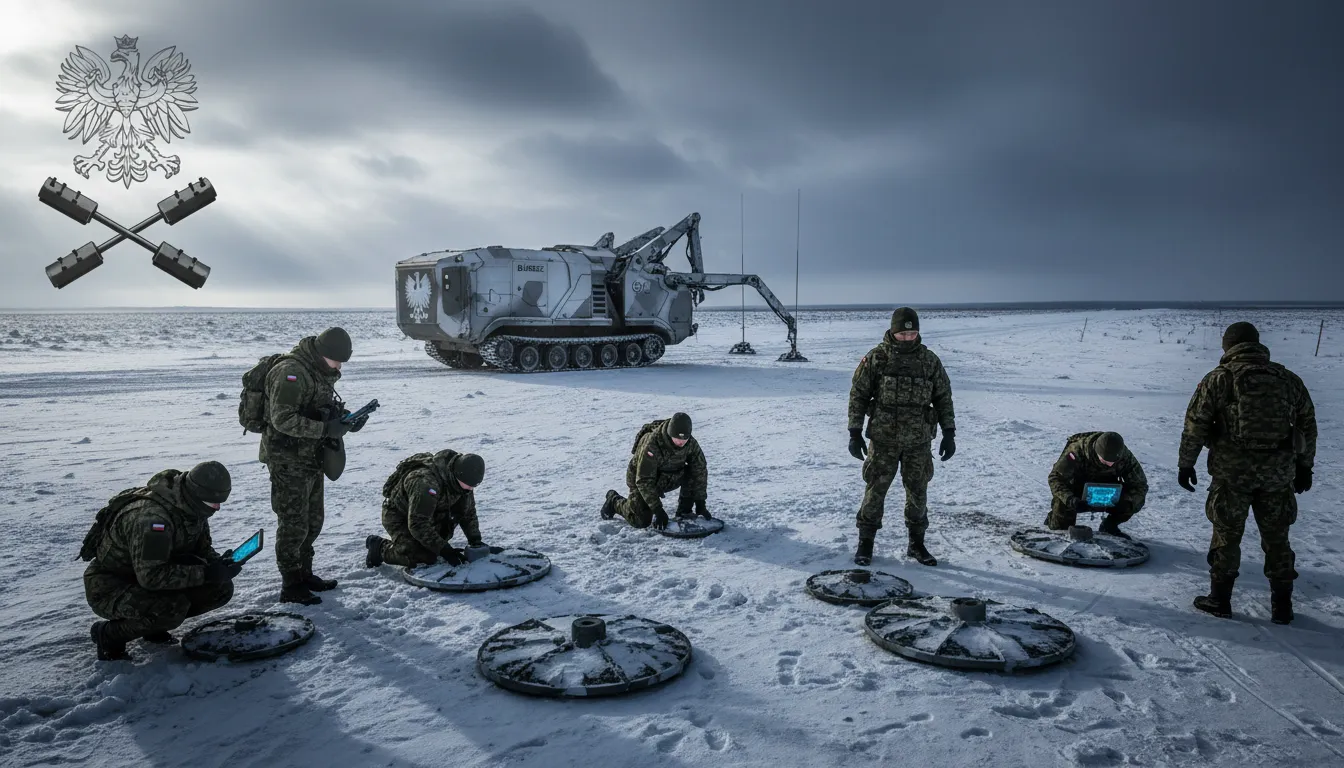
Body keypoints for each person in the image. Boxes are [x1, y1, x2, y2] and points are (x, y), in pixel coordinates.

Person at [1178, 321, 1316, 624]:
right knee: (1278, 539)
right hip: (1278, 476)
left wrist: (1186, 463)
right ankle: (1282, 607)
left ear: (1228, 346)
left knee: (1227, 536)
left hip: (1232, 475)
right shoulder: (1288, 379)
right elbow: (1307, 425)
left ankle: (1220, 600)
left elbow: (1195, 425)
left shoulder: (1219, 379)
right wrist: (1305, 466)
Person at [82, 461, 241, 661]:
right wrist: (206, 574)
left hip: (145, 576)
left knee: (221, 589)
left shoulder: (192, 504)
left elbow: (202, 548)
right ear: (195, 494)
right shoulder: (153, 521)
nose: (217, 508)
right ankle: (109, 634)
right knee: (171, 609)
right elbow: (152, 577)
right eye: (212, 503)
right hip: (111, 586)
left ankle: (152, 625)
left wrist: (219, 564)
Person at [259, 327, 368, 605]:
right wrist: (324, 430)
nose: (339, 367)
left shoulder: (318, 370)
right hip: (287, 460)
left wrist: (345, 420)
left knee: (313, 521)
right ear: (322, 354)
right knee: (293, 523)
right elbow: (282, 419)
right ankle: (291, 584)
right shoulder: (290, 372)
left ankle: (305, 573)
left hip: (311, 457)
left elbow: (320, 406)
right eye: (337, 360)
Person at [847, 307, 956, 567]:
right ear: (893, 331)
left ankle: (916, 544)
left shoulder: (929, 361)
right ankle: (866, 542)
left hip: (918, 441)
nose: (908, 338)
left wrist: (949, 433)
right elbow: (858, 395)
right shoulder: (877, 358)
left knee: (918, 492)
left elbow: (944, 398)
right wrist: (854, 432)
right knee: (875, 490)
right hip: (883, 440)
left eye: (913, 333)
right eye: (903, 333)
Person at [365, 450, 488, 568]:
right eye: (469, 485)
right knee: (420, 555)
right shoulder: (425, 483)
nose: (471, 489)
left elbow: (468, 512)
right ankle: (379, 547)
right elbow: (417, 524)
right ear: (457, 475)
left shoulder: (464, 483)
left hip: (431, 512)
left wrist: (475, 541)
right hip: (399, 514)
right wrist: (444, 550)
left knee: (432, 546)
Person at [602, 412, 711, 530]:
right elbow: (643, 480)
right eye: (677, 439)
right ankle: (613, 501)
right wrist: (657, 509)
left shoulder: (690, 443)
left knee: (692, 471)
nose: (681, 442)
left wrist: (700, 502)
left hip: (669, 476)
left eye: (684, 439)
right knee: (641, 520)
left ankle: (684, 511)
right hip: (641, 480)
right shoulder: (652, 443)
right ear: (670, 434)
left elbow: (700, 470)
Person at [1046, 431, 1148, 539]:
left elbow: (1140, 485)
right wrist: (1070, 499)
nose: (1110, 465)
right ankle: (1056, 521)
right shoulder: (1077, 451)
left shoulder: (1124, 456)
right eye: (1104, 461)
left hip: (1109, 494)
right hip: (1077, 493)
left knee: (1133, 501)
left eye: (1113, 462)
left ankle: (1109, 526)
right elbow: (1056, 478)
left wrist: (1127, 502)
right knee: (1060, 529)